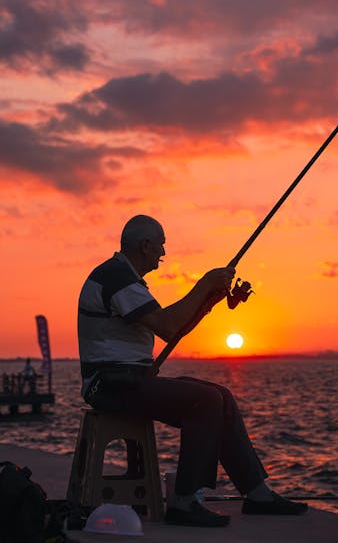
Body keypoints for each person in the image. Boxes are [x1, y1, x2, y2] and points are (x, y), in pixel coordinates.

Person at [77, 214, 307, 527]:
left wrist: (208, 301)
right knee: (206, 400)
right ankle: (184, 502)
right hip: (109, 387)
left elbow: (174, 326)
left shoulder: (124, 278)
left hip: (128, 381)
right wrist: (204, 284)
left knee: (220, 395)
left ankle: (257, 493)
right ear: (145, 245)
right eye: (160, 246)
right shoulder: (117, 278)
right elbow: (169, 327)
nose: (162, 254)